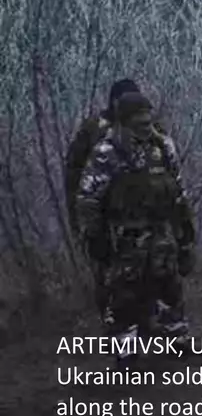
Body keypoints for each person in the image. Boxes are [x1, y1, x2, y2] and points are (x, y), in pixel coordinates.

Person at [75, 89, 198, 346]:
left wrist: (185, 230)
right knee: (124, 294)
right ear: (124, 122)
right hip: (125, 237)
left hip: (162, 232)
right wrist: (95, 237)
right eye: (139, 123)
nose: (145, 128)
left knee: (170, 285)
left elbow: (177, 190)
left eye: (148, 121)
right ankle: (126, 351)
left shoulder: (163, 147)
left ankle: (177, 337)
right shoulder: (107, 152)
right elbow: (88, 198)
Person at [66, 78, 141, 324]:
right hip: (103, 215)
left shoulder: (141, 127)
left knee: (143, 272)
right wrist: (82, 221)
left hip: (137, 216)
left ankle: (146, 324)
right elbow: (74, 175)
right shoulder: (94, 129)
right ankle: (114, 326)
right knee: (107, 273)